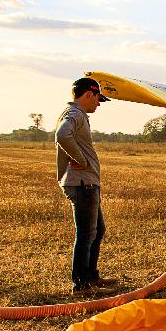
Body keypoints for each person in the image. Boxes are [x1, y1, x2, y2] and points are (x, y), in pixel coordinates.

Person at [56, 77, 111, 293]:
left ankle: (91, 277)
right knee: (87, 234)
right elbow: (62, 135)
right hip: (82, 184)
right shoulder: (75, 114)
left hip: (86, 183)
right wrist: (80, 159)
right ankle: (81, 285)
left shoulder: (77, 115)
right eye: (98, 99)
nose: (98, 104)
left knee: (97, 231)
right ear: (89, 94)